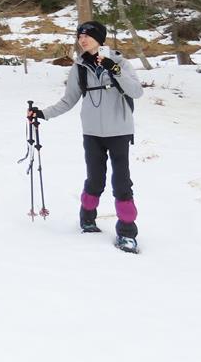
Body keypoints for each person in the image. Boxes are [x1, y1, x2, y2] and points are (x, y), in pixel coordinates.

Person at [27, 20, 144, 253]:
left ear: (99, 38)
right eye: (79, 35)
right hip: (92, 133)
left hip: (119, 131)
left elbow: (136, 92)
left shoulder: (120, 62)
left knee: (121, 183)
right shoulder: (79, 67)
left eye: (87, 35)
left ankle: (128, 232)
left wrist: (114, 69)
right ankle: (88, 218)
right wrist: (43, 114)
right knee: (95, 180)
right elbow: (68, 100)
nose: (82, 39)